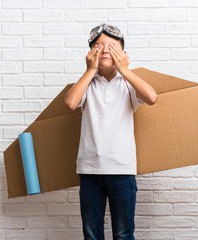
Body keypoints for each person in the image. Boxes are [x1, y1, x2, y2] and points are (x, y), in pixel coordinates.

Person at [64, 23, 157, 240]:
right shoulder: (87, 83)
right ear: (89, 54)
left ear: (123, 53)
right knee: (91, 234)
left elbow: (152, 97)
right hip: (89, 172)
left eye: (112, 46)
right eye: (98, 46)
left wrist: (124, 69)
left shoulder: (128, 83)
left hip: (122, 170)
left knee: (123, 234)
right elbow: (70, 103)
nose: (105, 49)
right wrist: (90, 70)